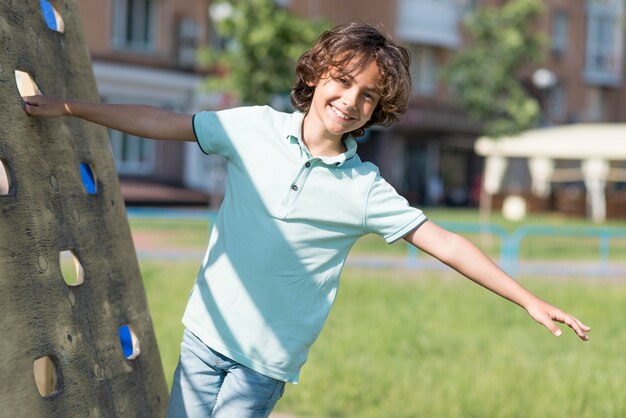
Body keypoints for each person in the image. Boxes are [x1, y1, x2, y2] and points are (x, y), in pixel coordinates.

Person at [22, 22, 590, 418]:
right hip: (205, 334)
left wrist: (527, 299)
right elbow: (162, 120)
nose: (350, 100)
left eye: (368, 96)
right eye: (343, 81)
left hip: (263, 363)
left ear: (378, 109)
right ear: (318, 75)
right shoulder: (251, 129)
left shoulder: (363, 188)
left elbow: (443, 241)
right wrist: (71, 107)